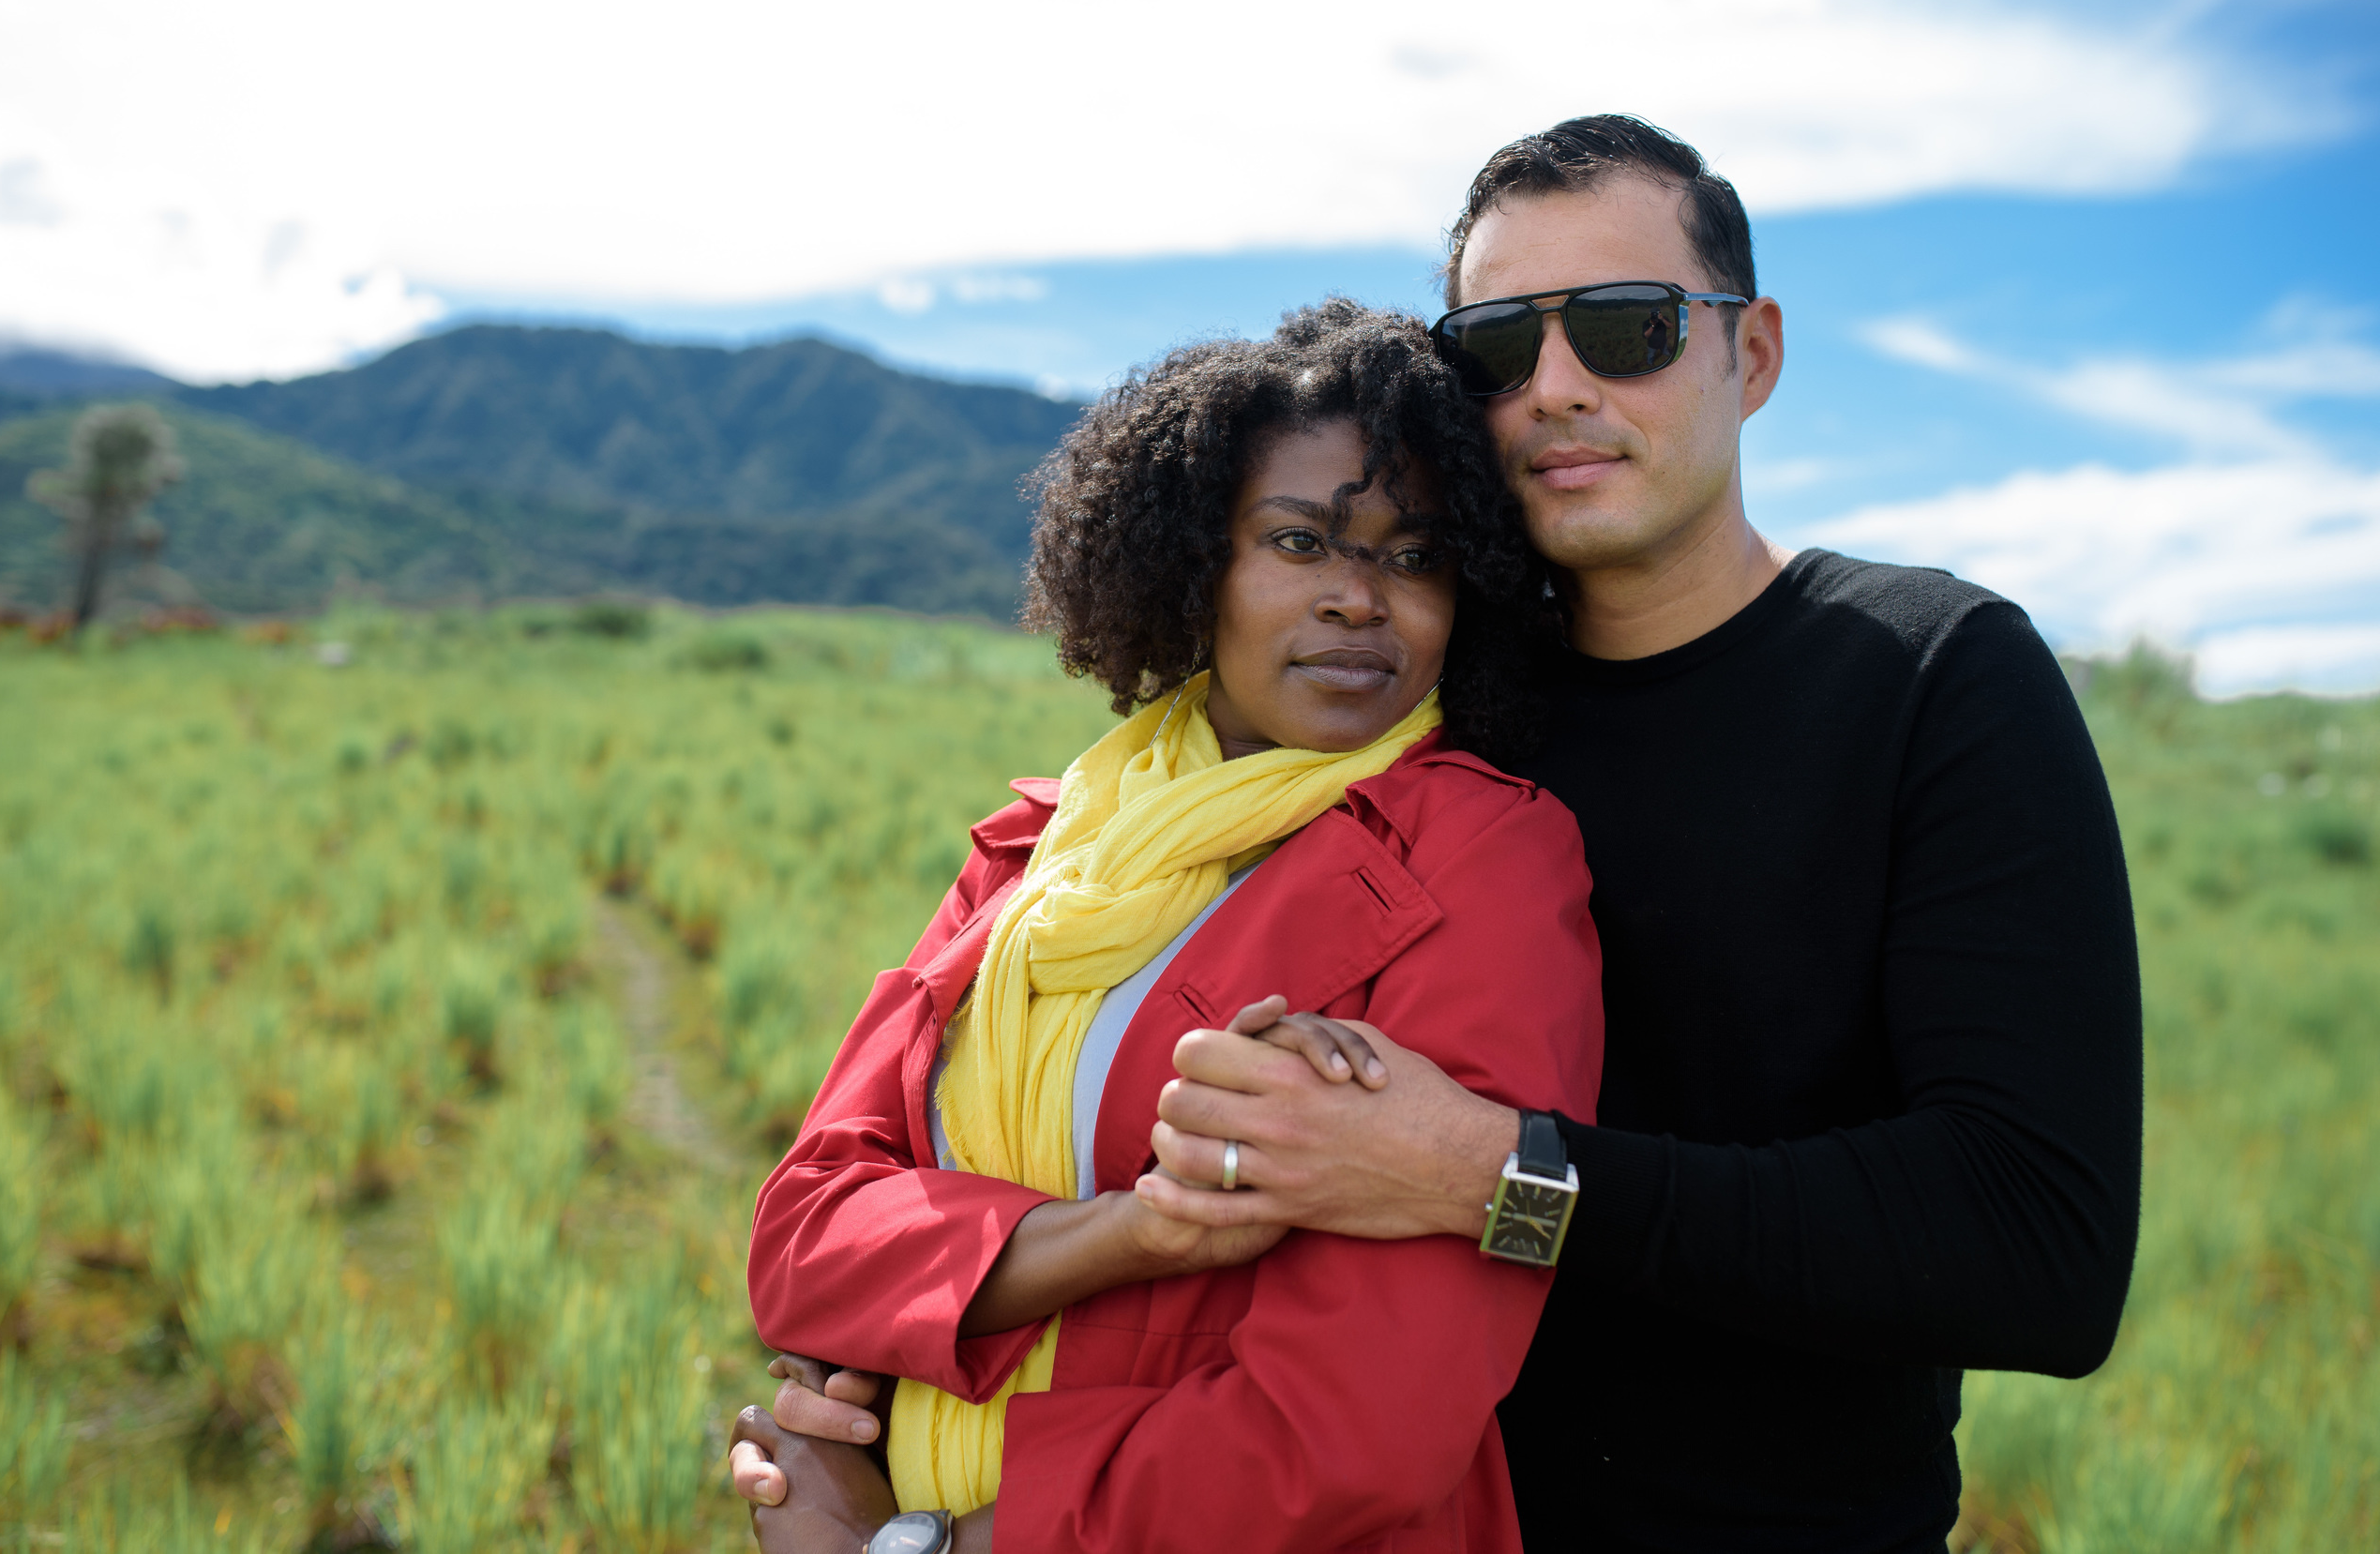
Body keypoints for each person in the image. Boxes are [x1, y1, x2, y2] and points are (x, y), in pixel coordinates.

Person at [738, 116, 2145, 1553]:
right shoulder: (1417, 723)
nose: (1555, 386)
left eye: (1627, 327)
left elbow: (2038, 1246)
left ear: (1754, 353)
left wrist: (1499, 1173)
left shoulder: (1924, 678)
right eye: (1494, 346)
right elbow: (873, 1198)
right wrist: (883, 1395)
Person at [732, 302, 1605, 1554]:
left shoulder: (1488, 864)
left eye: (1414, 557)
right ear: (1196, 566)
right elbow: (805, 1236)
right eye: (1301, 542)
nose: (1361, 598)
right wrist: (1129, 1232)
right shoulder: (1035, 854)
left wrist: (917, 1544)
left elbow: (1362, 1427)